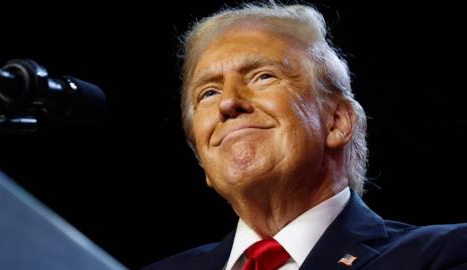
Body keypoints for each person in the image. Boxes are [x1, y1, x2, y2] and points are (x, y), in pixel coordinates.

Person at [143, 2, 467, 269]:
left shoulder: (446, 254)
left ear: (337, 122)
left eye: (262, 76)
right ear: (202, 157)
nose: (228, 102)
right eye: (209, 92)